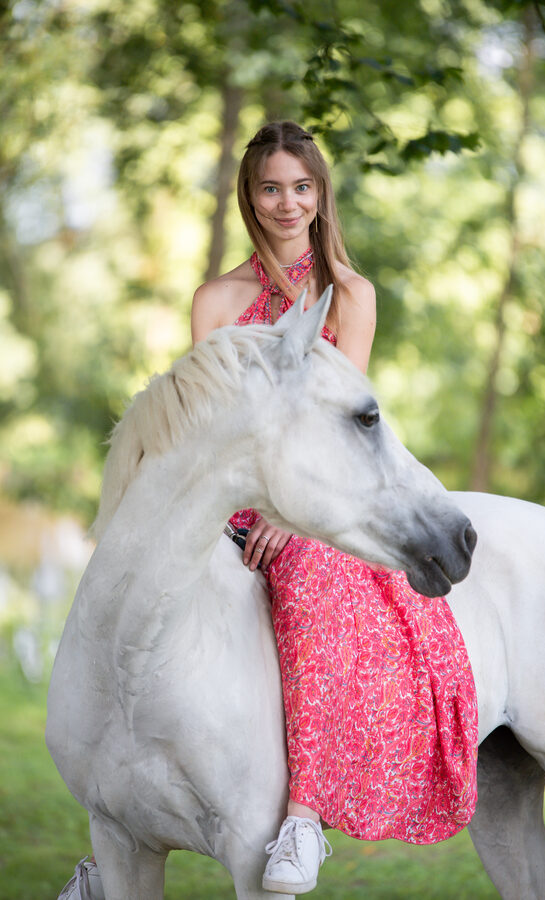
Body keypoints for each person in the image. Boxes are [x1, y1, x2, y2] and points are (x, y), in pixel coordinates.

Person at [58, 121, 478, 899]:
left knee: (314, 572)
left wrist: (286, 520)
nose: (288, 202)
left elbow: (333, 430)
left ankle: (302, 815)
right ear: (251, 198)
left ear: (322, 196)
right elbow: (195, 423)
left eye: (302, 186)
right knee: (132, 581)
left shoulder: (350, 296)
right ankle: (108, 794)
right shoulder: (217, 299)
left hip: (303, 508)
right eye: (270, 188)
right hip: (222, 504)